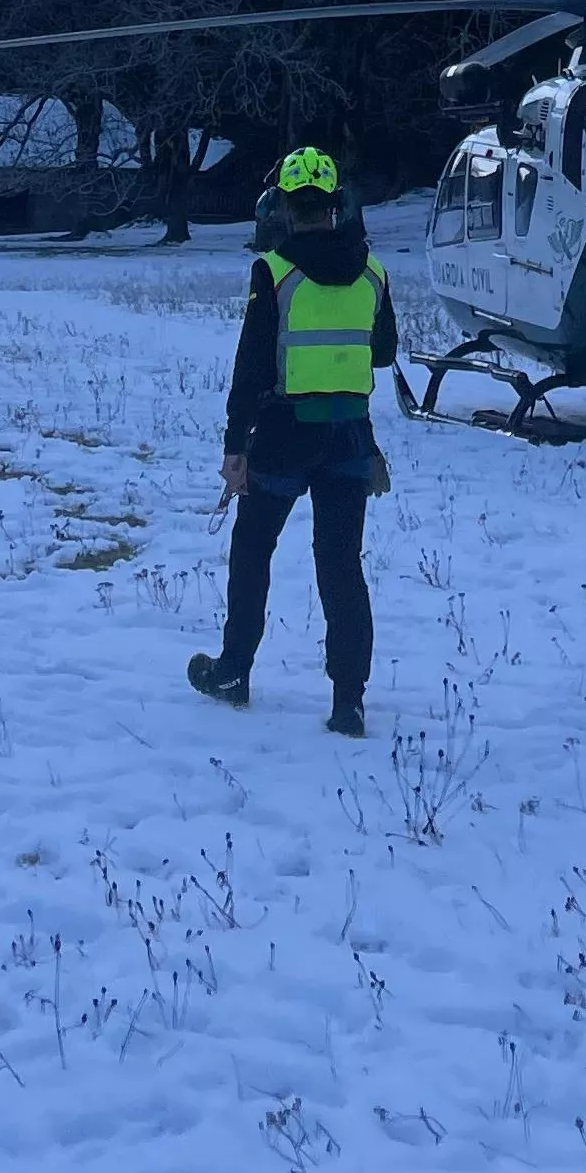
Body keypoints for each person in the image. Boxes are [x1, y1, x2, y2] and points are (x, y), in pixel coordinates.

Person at [188, 147, 397, 738]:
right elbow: (382, 352)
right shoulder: (375, 273)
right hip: (350, 437)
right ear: (336, 205)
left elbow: (250, 367)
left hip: (282, 434)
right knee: (340, 567)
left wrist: (235, 446)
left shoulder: (274, 271)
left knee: (253, 551)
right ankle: (348, 700)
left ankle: (233, 671)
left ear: (281, 205)